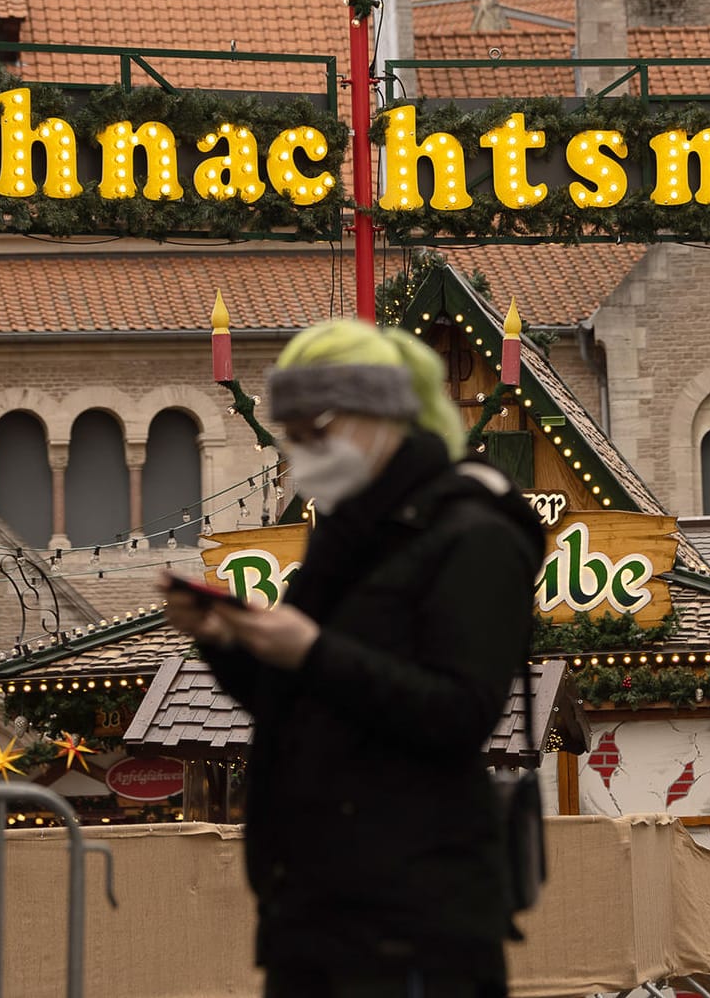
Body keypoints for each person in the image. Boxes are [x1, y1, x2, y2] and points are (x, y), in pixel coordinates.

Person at [160, 320, 544, 998]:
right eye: (293, 436)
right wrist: (223, 639)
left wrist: (313, 650)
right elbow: (297, 703)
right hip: (314, 913)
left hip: (415, 924)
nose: (304, 454)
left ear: (380, 417)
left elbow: (460, 712)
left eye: (318, 432)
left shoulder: (474, 535)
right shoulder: (346, 532)